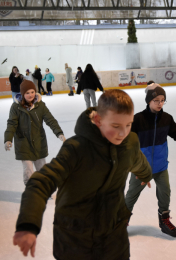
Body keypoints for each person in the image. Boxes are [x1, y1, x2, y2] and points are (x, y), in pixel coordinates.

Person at [12, 89, 152, 260]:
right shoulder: (76, 149)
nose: (123, 133)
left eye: (128, 124)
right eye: (116, 126)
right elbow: (42, 181)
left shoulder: (129, 142)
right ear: (98, 120)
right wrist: (28, 224)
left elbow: (137, 159)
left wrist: (146, 174)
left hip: (114, 237)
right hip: (75, 238)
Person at [125, 83, 176, 238]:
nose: (160, 103)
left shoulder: (166, 118)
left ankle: (164, 220)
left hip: (160, 166)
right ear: (148, 101)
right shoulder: (138, 120)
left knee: (165, 193)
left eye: (163, 100)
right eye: (156, 100)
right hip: (142, 168)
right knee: (131, 195)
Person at [4, 80, 66, 186]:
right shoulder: (16, 107)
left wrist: (59, 133)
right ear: (22, 94)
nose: (30, 95)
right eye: (27, 93)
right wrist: (8, 138)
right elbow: (11, 124)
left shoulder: (40, 105)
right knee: (28, 171)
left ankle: (45, 189)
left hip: (38, 142)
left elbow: (50, 120)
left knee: (42, 169)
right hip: (23, 143)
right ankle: (30, 191)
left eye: (32, 92)